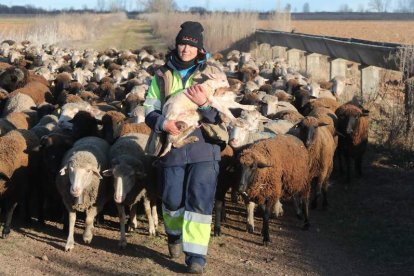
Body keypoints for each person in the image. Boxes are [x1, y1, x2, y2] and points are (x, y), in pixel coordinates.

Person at [144, 21, 223, 274]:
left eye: (191, 44)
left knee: (200, 202)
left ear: (199, 48)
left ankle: (196, 257)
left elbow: (220, 115)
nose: (186, 48)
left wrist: (204, 105)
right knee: (171, 198)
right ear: (176, 45)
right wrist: (162, 123)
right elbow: (149, 108)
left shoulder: (211, 74)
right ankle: (174, 234)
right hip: (173, 146)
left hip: (204, 146)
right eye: (182, 43)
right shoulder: (162, 75)